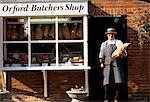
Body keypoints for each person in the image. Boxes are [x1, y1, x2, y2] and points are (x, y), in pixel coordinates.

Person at [99, 28, 127, 102]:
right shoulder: (104, 44)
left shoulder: (119, 42)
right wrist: (101, 63)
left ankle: (116, 98)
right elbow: (101, 55)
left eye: (112, 34)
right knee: (107, 82)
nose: (110, 35)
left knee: (118, 81)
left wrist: (121, 54)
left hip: (117, 63)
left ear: (114, 34)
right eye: (109, 34)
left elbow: (124, 54)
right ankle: (107, 98)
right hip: (107, 64)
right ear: (107, 35)